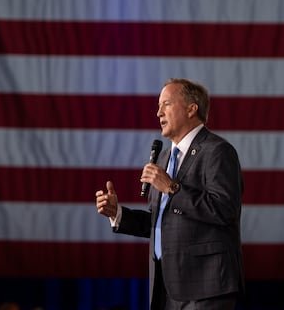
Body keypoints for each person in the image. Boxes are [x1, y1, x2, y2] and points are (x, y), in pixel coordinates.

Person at [95, 78, 244, 310]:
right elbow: (164, 222)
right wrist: (119, 214)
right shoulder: (164, 158)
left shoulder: (217, 151)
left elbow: (225, 211)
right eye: (158, 106)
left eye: (166, 104)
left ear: (191, 108)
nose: (158, 113)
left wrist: (172, 188)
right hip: (166, 288)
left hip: (205, 287)